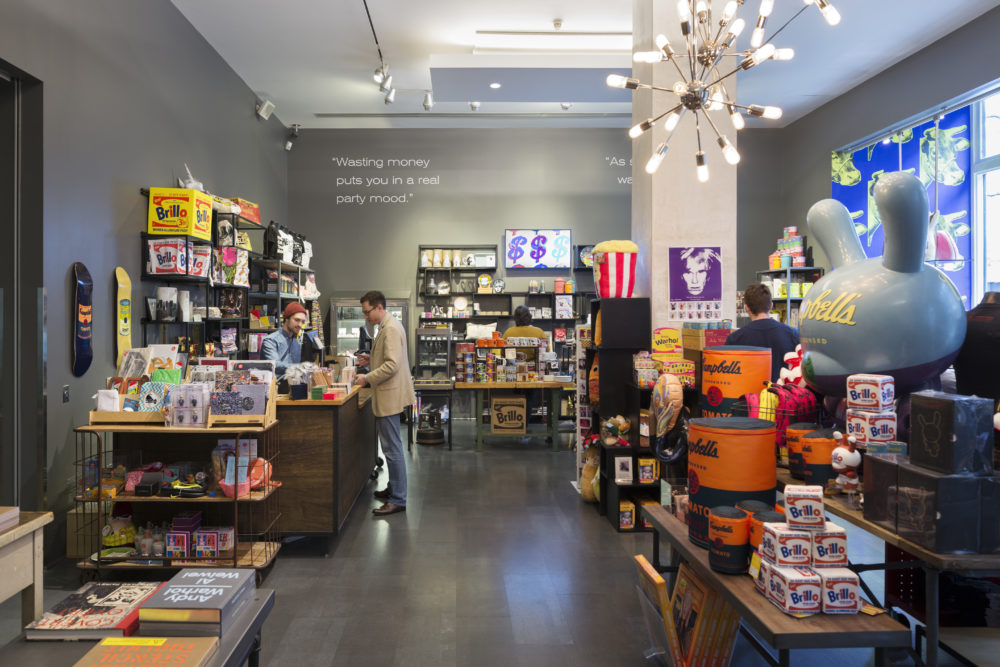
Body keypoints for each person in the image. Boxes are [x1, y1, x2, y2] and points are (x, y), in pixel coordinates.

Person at [354, 290, 415, 516]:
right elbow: (390, 360)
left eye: (367, 312)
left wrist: (366, 377)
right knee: (392, 446)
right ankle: (394, 488)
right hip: (389, 394)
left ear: (379, 307)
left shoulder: (389, 328)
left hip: (389, 395)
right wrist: (371, 360)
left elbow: (391, 366)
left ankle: (398, 498)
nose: (366, 317)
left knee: (392, 448)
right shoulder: (388, 325)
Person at [726, 283, 799, 382]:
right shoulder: (793, 334)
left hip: (748, 396)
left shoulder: (734, 339)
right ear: (771, 306)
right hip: (784, 395)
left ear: (746, 307)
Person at [260, 301, 308, 379]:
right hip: (275, 388)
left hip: (294, 385)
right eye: (296, 320)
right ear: (286, 319)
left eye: (302, 321)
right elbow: (275, 365)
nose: (300, 325)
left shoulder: (296, 341)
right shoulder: (270, 341)